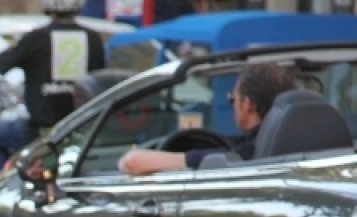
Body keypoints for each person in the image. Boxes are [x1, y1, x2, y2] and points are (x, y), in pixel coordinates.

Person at [0, 0, 104, 173]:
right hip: (82, 130)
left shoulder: (37, 38)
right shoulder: (93, 39)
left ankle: (3, 189)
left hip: (41, 131)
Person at [118, 63, 296, 176]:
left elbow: (133, 162)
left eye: (232, 99)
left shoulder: (246, 155)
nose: (232, 105)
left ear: (246, 104)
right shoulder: (300, 148)